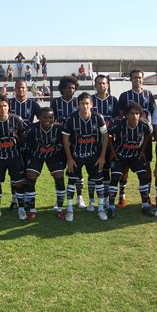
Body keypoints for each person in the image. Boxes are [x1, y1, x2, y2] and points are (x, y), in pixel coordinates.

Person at [62, 92, 109, 222]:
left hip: (94, 155)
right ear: (78, 105)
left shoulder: (98, 117)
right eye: (82, 104)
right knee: (72, 181)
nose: (84, 106)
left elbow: (106, 136)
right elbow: (65, 139)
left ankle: (100, 208)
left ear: (91, 105)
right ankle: (70, 209)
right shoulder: (71, 118)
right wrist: (69, 159)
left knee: (98, 181)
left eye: (87, 103)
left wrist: (102, 156)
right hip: (76, 155)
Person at [0, 94, 27, 221]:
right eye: (0, 106)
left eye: (5, 106)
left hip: (14, 157)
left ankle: (21, 209)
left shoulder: (16, 119)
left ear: (9, 107)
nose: (3, 109)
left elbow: (24, 135)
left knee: (18, 183)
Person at [117, 69, 156, 207]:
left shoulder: (149, 95)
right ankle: (122, 195)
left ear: (142, 79)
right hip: (127, 138)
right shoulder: (124, 96)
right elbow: (121, 116)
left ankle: (147, 195)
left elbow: (153, 114)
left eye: (139, 77)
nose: (137, 80)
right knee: (125, 166)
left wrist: (152, 132)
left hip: (144, 136)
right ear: (130, 79)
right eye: (134, 77)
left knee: (146, 165)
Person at [108, 102, 153, 217]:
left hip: (135, 155)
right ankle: (111, 207)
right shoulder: (118, 124)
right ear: (126, 115)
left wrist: (142, 150)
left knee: (144, 176)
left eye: (137, 113)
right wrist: (113, 151)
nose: (134, 116)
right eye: (131, 113)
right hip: (120, 155)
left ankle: (145, 205)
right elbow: (108, 135)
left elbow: (149, 134)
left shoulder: (145, 125)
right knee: (115, 178)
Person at [24, 107, 66, 220]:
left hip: (53, 156)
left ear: (54, 118)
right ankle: (32, 210)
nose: (48, 120)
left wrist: (56, 150)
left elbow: (65, 144)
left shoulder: (59, 129)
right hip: (37, 156)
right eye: (45, 117)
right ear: (39, 118)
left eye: (51, 117)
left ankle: (60, 209)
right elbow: (27, 144)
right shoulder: (32, 129)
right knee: (30, 179)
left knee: (60, 179)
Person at [51, 76, 86, 208]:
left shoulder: (78, 102)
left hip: (76, 141)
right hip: (60, 141)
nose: (71, 90)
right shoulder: (56, 102)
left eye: (73, 88)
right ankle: (59, 198)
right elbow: (52, 120)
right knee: (58, 171)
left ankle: (79, 197)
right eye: (68, 88)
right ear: (62, 88)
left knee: (77, 170)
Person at [7, 79, 42, 210]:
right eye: (18, 88)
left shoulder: (33, 104)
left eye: (23, 88)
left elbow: (42, 120)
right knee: (13, 173)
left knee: (28, 172)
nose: (21, 90)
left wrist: (32, 129)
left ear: (27, 89)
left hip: (28, 144)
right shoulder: (9, 103)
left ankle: (27, 199)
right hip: (12, 143)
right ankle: (14, 199)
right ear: (15, 89)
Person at [89, 74, 119, 212]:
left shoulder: (113, 100)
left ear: (107, 85)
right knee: (93, 170)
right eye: (99, 83)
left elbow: (118, 118)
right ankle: (91, 200)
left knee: (107, 170)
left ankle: (106, 199)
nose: (102, 85)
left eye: (104, 83)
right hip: (93, 141)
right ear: (95, 85)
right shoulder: (90, 100)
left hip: (110, 140)